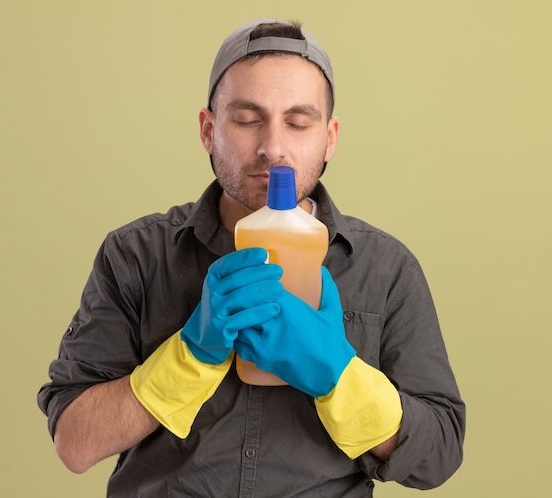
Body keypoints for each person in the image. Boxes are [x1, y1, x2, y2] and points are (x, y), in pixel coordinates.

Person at [38, 18, 465, 497]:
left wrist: (337, 375)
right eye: (246, 119)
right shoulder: (136, 256)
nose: (273, 148)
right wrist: (189, 355)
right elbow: (74, 444)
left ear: (330, 138)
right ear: (208, 129)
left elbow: (437, 457)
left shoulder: (386, 269)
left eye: (299, 122)